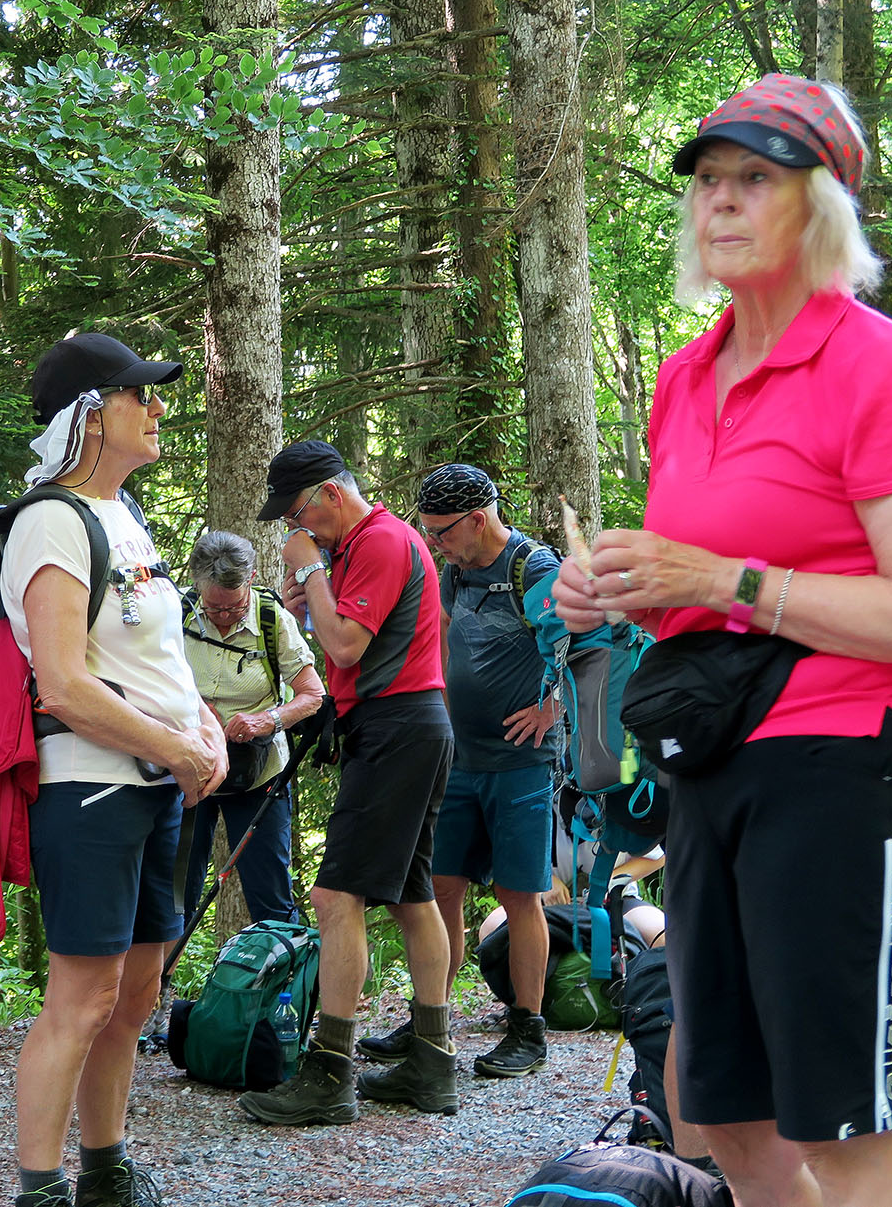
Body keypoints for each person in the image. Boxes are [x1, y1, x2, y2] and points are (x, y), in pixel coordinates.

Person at [553, 74, 892, 1207]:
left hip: (845, 765)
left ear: (823, 205)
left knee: (851, 1133)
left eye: (754, 178)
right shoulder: (685, 375)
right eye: (705, 180)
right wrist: (621, 591)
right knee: (728, 1121)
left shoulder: (880, 364)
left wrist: (714, 577)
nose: (719, 201)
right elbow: (703, 596)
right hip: (709, 765)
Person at [5, 333, 227, 1207]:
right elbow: (62, 683)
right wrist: (176, 746)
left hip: (155, 784)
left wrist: (202, 725)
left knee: (135, 993)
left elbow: (154, 657)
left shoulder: (123, 514)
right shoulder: (51, 520)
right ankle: (40, 1188)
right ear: (91, 416)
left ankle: (105, 1167)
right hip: (91, 786)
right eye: (142, 393)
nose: (159, 406)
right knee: (84, 996)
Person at [358, 462, 604, 1081]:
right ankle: (430, 1017)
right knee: (440, 888)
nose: (434, 542)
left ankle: (527, 1027)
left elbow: (586, 647)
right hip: (458, 759)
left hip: (520, 763)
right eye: (428, 531)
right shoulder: (455, 571)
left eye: (441, 531)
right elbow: (441, 639)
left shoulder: (534, 569)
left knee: (519, 895)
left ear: (476, 520)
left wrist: (551, 708)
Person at [238, 441, 458, 1125]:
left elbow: (345, 647)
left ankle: (331, 1072)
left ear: (331, 493)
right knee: (413, 894)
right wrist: (311, 597)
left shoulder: (382, 541)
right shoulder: (361, 546)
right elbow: (343, 638)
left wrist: (312, 572)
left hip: (398, 726)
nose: (295, 528)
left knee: (336, 896)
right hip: (407, 725)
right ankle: (432, 1060)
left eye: (298, 513)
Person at [177, 531, 326, 925]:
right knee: (175, 892)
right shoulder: (177, 615)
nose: (225, 616)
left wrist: (266, 720)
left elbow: (313, 695)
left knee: (270, 892)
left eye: (235, 606)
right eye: (214, 608)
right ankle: (164, 967)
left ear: (252, 579)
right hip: (189, 769)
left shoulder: (270, 618)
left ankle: (279, 962)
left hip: (258, 772)